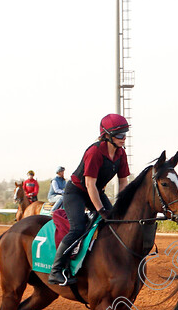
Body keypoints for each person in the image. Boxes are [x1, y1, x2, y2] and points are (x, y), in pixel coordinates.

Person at [48, 114, 131, 286]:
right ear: (107, 135)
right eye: (120, 135)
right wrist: (101, 210)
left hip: (95, 191)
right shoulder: (94, 152)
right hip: (76, 192)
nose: (124, 138)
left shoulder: (121, 154)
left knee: (114, 222)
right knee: (78, 227)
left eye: (125, 134)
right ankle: (55, 271)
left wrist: (121, 206)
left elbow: (123, 181)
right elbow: (89, 184)